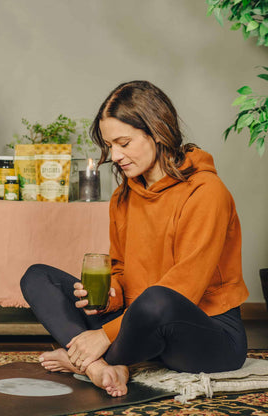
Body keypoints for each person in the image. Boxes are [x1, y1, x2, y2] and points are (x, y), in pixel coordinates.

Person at [20, 80, 249, 397]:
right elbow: (121, 270)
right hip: (137, 326)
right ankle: (98, 366)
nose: (114, 155)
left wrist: (104, 335)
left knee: (157, 299)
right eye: (109, 145)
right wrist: (107, 296)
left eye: (123, 143)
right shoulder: (123, 197)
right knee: (38, 277)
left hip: (207, 334)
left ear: (157, 132)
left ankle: (94, 359)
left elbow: (185, 289)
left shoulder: (206, 192)